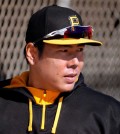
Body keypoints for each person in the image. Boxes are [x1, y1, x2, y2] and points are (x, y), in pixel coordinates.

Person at [0, 5, 120, 134]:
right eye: (64, 50)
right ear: (32, 53)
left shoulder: (108, 112)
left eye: (80, 50)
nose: (75, 62)